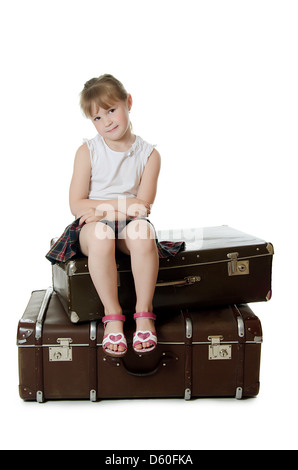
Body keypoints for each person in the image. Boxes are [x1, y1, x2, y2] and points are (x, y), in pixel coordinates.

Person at [46, 74, 184, 357]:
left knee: (143, 232)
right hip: (93, 226)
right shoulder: (88, 151)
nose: (107, 121)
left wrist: (105, 206)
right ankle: (113, 316)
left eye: (111, 110)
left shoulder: (149, 155)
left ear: (128, 102)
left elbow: (142, 207)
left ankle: (144, 312)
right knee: (101, 234)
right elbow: (77, 204)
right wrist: (120, 205)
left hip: (130, 224)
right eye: (97, 118)